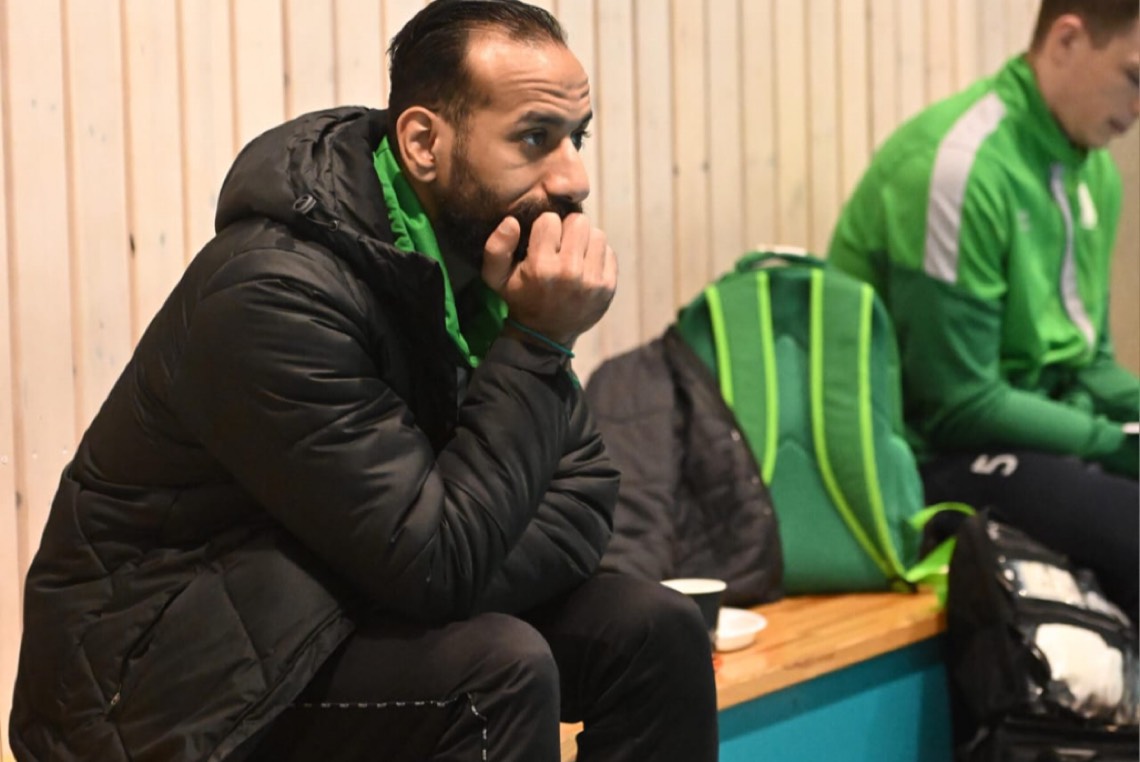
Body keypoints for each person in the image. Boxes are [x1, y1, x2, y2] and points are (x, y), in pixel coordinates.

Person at [7, 2, 719, 760]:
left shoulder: (476, 257)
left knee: (654, 630)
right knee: (497, 669)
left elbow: (581, 499)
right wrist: (539, 343)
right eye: (534, 138)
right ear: (423, 143)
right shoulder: (275, 293)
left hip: (333, 608)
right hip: (157, 678)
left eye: (578, 138)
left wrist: (432, 567)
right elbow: (436, 562)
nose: (574, 178)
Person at [828, 0, 1139, 623]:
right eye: (1134, 77)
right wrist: (1112, 441)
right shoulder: (959, 167)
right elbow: (958, 404)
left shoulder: (1093, 171)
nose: (1139, 108)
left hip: (1028, 438)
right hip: (927, 459)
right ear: (1067, 41)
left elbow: (1089, 362)